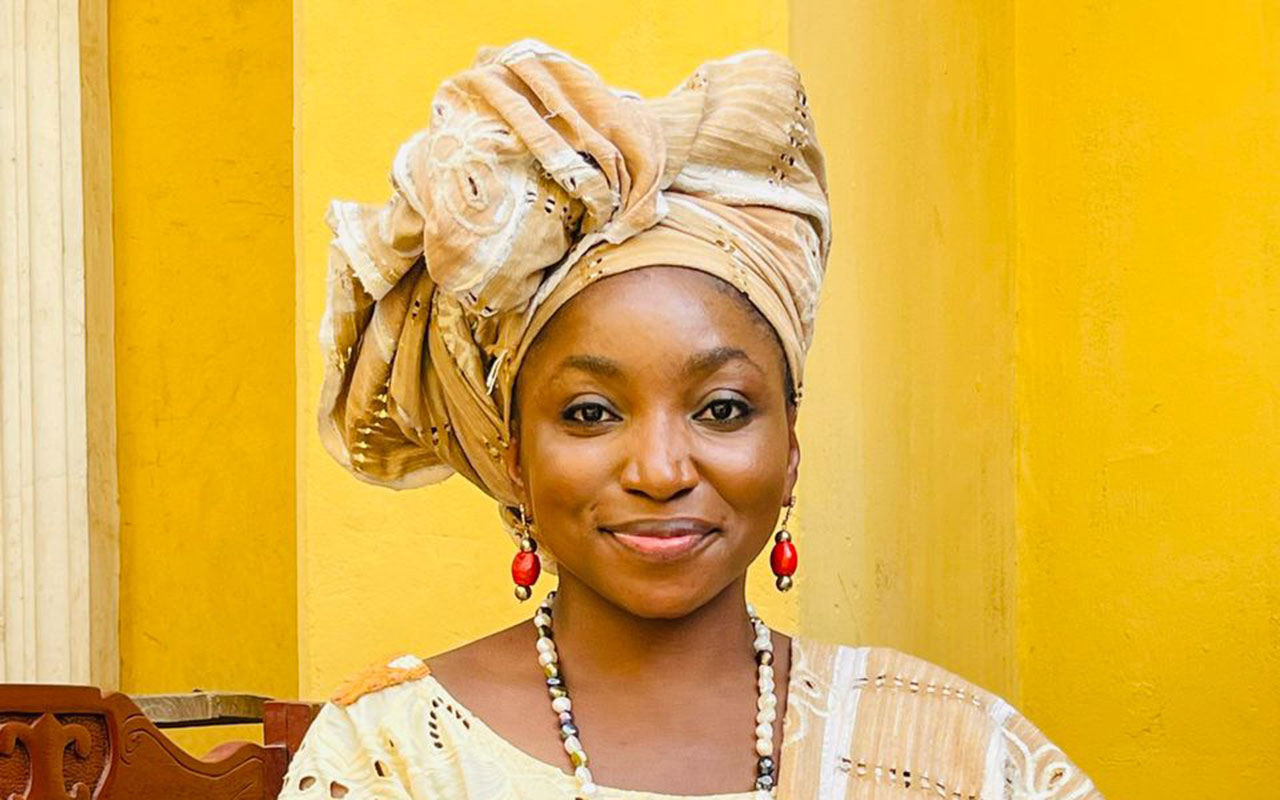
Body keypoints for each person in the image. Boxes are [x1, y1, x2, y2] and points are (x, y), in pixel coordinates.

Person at [279, 40, 1101, 800]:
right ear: (516, 456)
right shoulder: (389, 762)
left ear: (790, 450)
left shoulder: (961, 758)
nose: (661, 471)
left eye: (722, 409)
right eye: (591, 412)